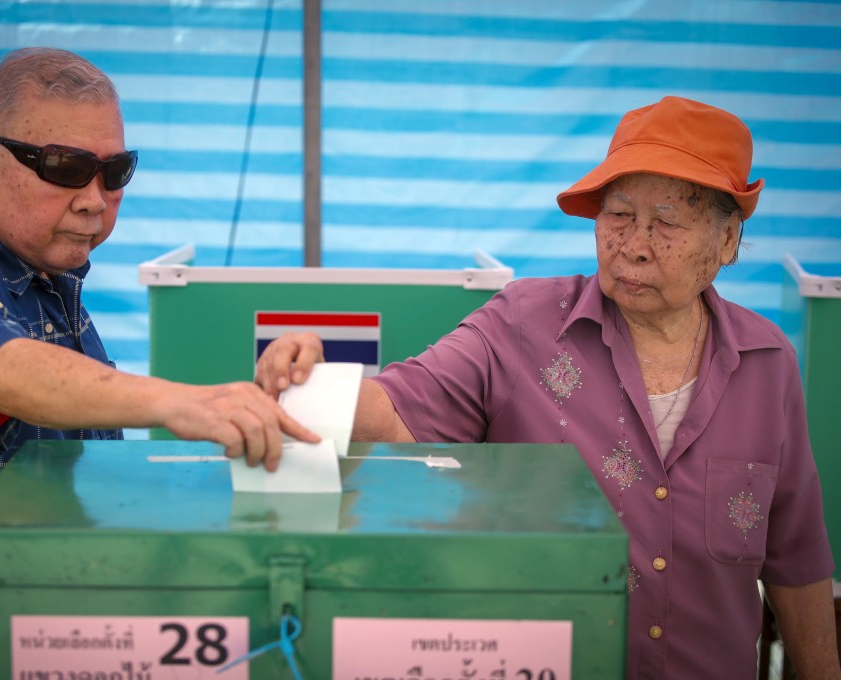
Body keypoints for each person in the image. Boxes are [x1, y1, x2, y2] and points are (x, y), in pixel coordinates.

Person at [256, 96, 840, 678]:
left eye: (666, 223)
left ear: (727, 243)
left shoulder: (767, 362)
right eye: (617, 215)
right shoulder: (522, 325)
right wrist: (309, 382)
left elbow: (797, 558)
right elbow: (398, 407)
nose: (634, 243)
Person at [0, 47, 316, 680]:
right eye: (66, 167)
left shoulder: (43, 273)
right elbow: (2, 367)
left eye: (115, 171)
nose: (95, 199)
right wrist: (183, 402)